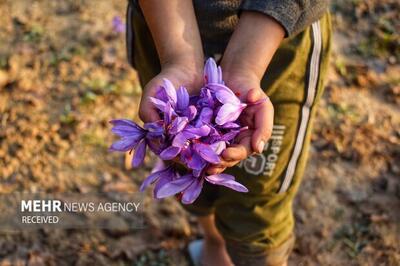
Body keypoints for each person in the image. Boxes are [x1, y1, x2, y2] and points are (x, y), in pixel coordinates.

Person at [126, 0, 331, 265]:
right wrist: (179, 60)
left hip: (277, 38)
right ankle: (214, 240)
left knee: (257, 203)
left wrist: (246, 65)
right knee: (186, 166)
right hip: (163, 30)